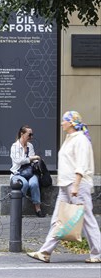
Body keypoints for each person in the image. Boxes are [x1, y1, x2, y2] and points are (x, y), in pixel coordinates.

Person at [28, 111, 101, 263]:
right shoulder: (70, 138)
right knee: (57, 219)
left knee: (87, 220)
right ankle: (45, 252)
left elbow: (81, 163)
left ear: (72, 123)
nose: (62, 123)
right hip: (65, 184)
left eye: (64, 121)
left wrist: (76, 184)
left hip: (77, 185)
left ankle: (98, 253)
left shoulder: (80, 139)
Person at [10, 125, 45, 217]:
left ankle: (38, 208)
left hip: (30, 172)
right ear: (22, 134)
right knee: (24, 184)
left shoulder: (30, 146)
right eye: (29, 135)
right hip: (17, 173)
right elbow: (18, 160)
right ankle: (17, 209)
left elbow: (32, 160)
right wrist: (32, 158)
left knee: (34, 183)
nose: (31, 137)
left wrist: (36, 160)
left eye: (32, 135)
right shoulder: (15, 146)